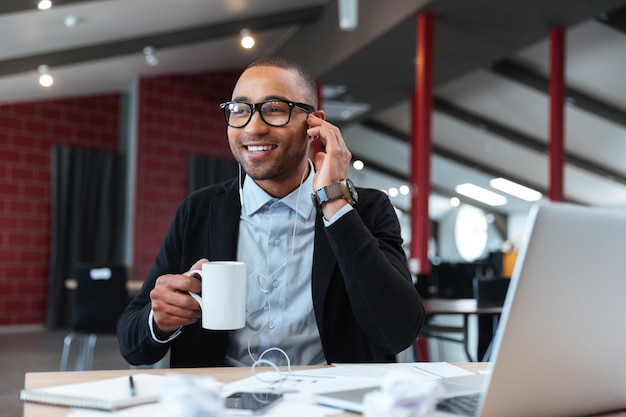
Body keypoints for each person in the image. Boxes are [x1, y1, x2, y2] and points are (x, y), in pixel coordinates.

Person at [117, 56, 425, 368]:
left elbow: (398, 332)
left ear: (314, 123)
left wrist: (334, 201)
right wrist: (159, 320)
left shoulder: (367, 209)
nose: (253, 127)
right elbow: (131, 342)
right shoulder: (199, 210)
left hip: (330, 404)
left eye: (275, 109)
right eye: (239, 110)